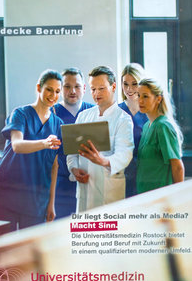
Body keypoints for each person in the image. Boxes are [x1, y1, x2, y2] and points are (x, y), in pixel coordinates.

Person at [0, 69, 63, 230]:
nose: (53, 95)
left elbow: (54, 166)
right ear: (39, 88)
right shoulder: (20, 114)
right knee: (6, 248)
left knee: (28, 251)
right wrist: (44, 143)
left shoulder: (58, 124)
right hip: (5, 194)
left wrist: (51, 204)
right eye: (49, 89)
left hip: (36, 200)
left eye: (57, 91)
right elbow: (17, 145)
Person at [67, 66, 133, 210]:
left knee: (107, 231)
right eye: (93, 89)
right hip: (85, 189)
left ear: (113, 86)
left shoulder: (123, 119)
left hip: (108, 192)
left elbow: (125, 154)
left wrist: (103, 161)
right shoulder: (83, 116)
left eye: (101, 88)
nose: (96, 93)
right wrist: (74, 169)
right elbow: (72, 151)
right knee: (85, 231)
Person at [52, 67, 94, 219]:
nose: (72, 91)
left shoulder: (94, 111)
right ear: (60, 89)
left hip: (88, 180)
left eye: (77, 86)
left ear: (84, 88)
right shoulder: (52, 113)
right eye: (67, 86)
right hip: (61, 183)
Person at [135, 77, 184, 192]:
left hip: (161, 197)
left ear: (158, 99)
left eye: (145, 96)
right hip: (144, 194)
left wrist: (179, 197)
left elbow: (177, 167)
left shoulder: (163, 126)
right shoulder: (147, 126)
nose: (140, 100)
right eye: (138, 95)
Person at [118, 63, 149, 198]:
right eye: (125, 84)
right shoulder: (116, 111)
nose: (129, 89)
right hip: (122, 175)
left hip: (146, 174)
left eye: (134, 84)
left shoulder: (150, 113)